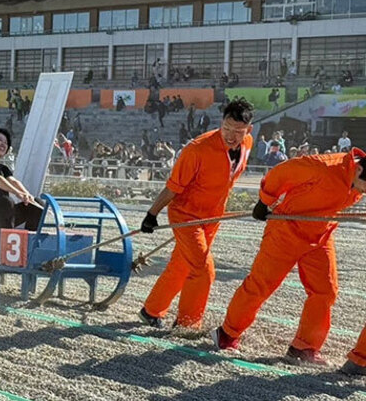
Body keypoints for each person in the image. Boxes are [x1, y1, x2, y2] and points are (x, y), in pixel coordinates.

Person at [212, 149, 366, 364]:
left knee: (325, 291)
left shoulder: (359, 178)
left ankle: (303, 348)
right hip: (286, 231)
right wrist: (264, 201)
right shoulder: (323, 166)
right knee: (260, 285)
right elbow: (282, 172)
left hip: (320, 234)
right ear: (358, 169)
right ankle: (226, 335)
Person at [138, 100, 254, 329]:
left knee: (181, 266)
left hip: (212, 218)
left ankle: (151, 311)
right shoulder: (197, 149)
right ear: (221, 122)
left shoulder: (247, 144)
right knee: (203, 270)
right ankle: (187, 324)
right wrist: (152, 214)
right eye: (226, 128)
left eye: (238, 131)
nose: (231, 136)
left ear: (248, 130)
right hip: (186, 216)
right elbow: (173, 186)